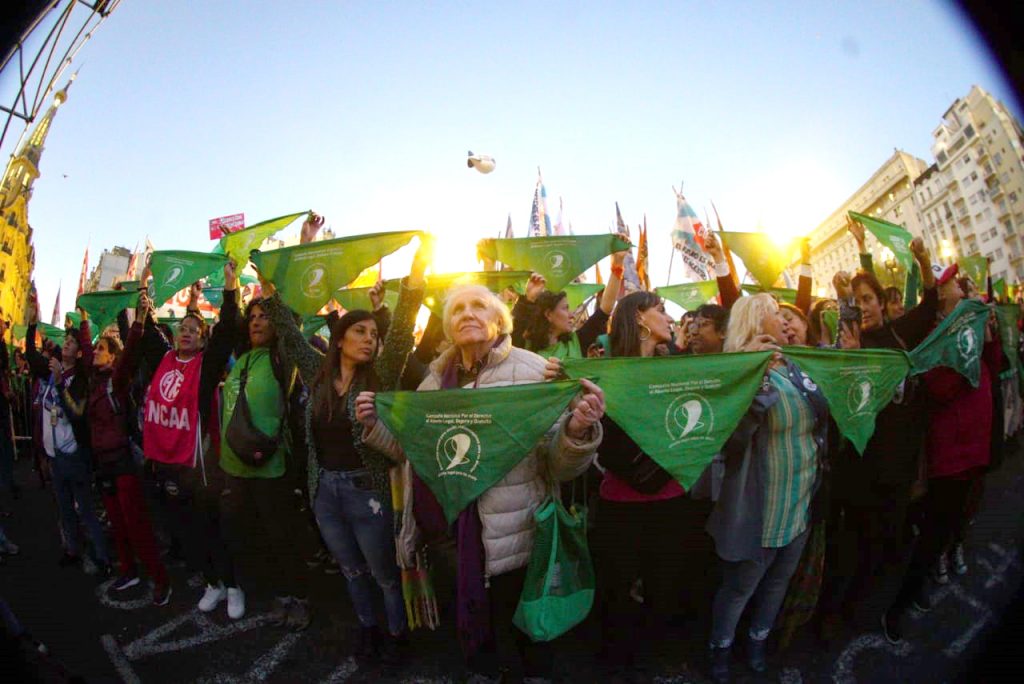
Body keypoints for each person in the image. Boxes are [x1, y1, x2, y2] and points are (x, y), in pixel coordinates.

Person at [356, 283, 605, 683]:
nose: (467, 314)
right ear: (448, 327)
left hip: (514, 536)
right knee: (479, 628)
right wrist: (375, 426)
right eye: (457, 310)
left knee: (523, 634)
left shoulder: (534, 372)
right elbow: (413, 453)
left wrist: (576, 431)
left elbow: (560, 468)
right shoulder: (434, 383)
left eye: (478, 306)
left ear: (498, 319)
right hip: (451, 535)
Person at [260, 222, 432, 657]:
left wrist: (418, 269)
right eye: (360, 332)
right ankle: (368, 629)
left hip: (367, 492)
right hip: (326, 492)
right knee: (351, 571)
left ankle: (396, 634)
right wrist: (300, 251)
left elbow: (405, 320)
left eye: (374, 335)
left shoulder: (382, 373)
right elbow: (284, 323)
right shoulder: (317, 372)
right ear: (338, 340)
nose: (370, 340)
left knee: (383, 573)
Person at [579, 291, 706, 677]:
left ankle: (657, 658)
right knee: (617, 594)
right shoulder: (606, 372)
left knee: (665, 587)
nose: (671, 319)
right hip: (621, 504)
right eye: (662, 311)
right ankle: (618, 665)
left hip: (671, 501)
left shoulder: (680, 366)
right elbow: (603, 439)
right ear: (638, 318)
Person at [706, 294, 830, 682]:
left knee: (779, 581)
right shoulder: (737, 373)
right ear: (758, 323)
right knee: (741, 586)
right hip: (760, 506)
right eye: (778, 316)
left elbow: (822, 415)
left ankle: (758, 640)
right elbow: (733, 441)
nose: (788, 322)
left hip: (800, 497)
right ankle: (720, 650)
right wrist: (754, 381)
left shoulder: (793, 365)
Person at [819, 237, 936, 638]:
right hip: (857, 465)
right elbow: (843, 402)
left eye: (869, 298)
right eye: (857, 301)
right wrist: (851, 360)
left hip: (897, 464)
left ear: (881, 302)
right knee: (848, 544)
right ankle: (832, 615)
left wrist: (921, 258)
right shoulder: (850, 342)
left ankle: (860, 607)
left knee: (882, 544)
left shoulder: (904, 333)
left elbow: (932, 300)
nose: (864, 306)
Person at [882, 262, 1001, 644]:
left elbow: (993, 369)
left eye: (963, 284)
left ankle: (928, 579)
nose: (963, 287)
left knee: (953, 523)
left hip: (977, 443)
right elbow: (940, 390)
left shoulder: (973, 326)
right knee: (933, 533)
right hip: (951, 449)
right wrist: (960, 354)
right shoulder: (935, 335)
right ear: (940, 297)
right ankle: (898, 608)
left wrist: (990, 340)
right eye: (954, 283)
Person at [133, 263, 242, 617]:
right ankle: (213, 584)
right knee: (186, 533)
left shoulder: (205, 367)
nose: (187, 332)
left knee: (211, 530)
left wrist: (230, 286)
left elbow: (227, 331)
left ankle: (234, 586)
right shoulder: (163, 358)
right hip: (165, 465)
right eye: (184, 327)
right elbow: (145, 326)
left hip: (199, 467)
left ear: (203, 339)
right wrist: (144, 285)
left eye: (195, 329)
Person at [70, 316, 170, 604]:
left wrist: (138, 323)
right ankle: (129, 571)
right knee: (117, 523)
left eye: (103, 349)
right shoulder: (94, 382)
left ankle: (160, 578)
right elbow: (87, 355)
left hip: (123, 463)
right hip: (103, 465)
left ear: (113, 358)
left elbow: (129, 356)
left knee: (136, 524)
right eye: (97, 349)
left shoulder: (117, 380)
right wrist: (85, 324)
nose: (96, 353)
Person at [24, 297, 112, 574]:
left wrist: (61, 382)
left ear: (76, 353)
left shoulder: (81, 379)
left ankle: (102, 558)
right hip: (54, 457)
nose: (67, 346)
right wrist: (31, 324)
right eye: (66, 342)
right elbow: (30, 354)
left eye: (71, 344)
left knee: (85, 510)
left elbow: (75, 414)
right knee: (64, 509)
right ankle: (73, 550)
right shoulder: (51, 370)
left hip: (74, 458)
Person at [513, 235, 628, 360]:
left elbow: (605, 310)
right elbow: (517, 323)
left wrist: (618, 262)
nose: (572, 314)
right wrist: (529, 298)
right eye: (565, 308)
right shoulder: (523, 346)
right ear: (548, 314)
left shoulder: (576, 342)